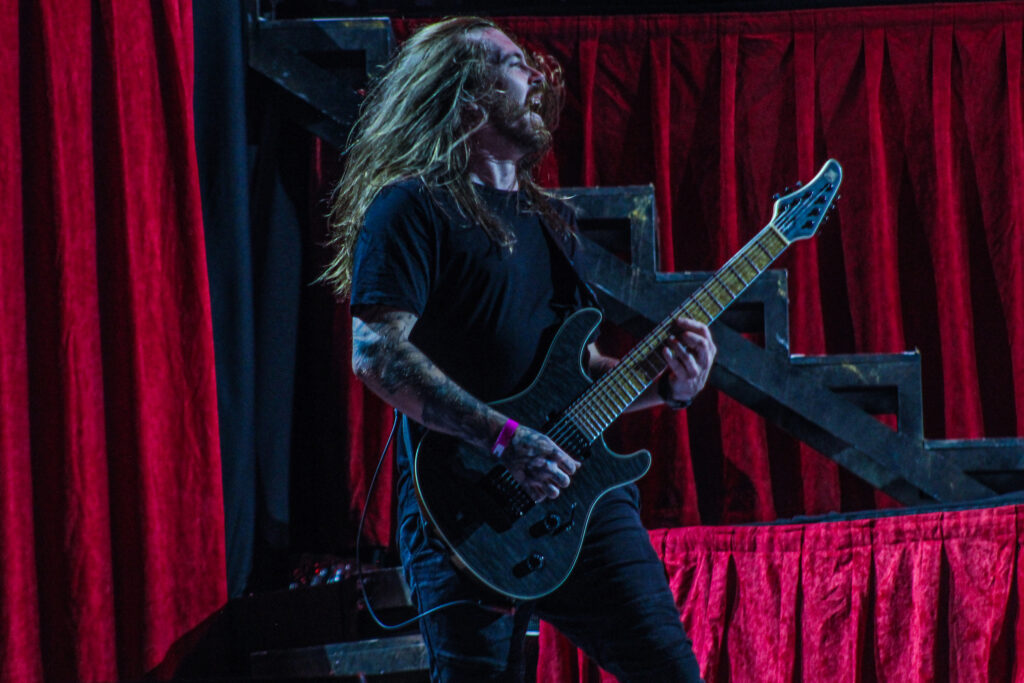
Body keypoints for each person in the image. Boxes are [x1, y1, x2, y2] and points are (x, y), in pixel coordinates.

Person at [321, 17, 715, 682]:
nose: (534, 75)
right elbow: (377, 354)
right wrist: (506, 440)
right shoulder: (410, 208)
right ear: (462, 94)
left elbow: (575, 369)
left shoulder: (546, 222)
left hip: (579, 497)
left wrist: (669, 382)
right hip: (467, 513)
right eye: (511, 63)